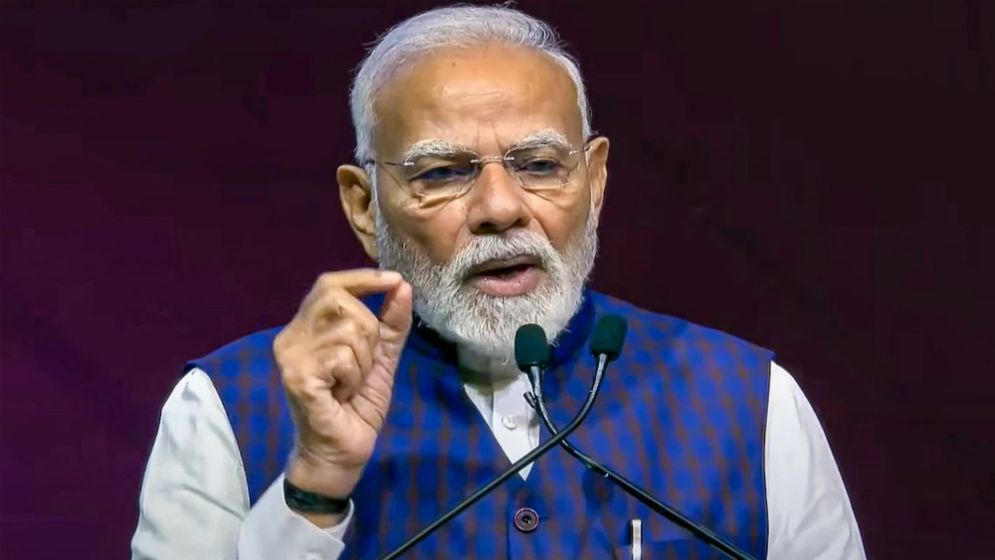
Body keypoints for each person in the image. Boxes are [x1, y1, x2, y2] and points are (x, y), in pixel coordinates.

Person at [131, 5, 865, 559]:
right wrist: (314, 485)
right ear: (363, 205)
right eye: (442, 173)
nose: (499, 208)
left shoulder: (750, 401)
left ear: (595, 182)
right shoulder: (227, 406)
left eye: (539, 165)